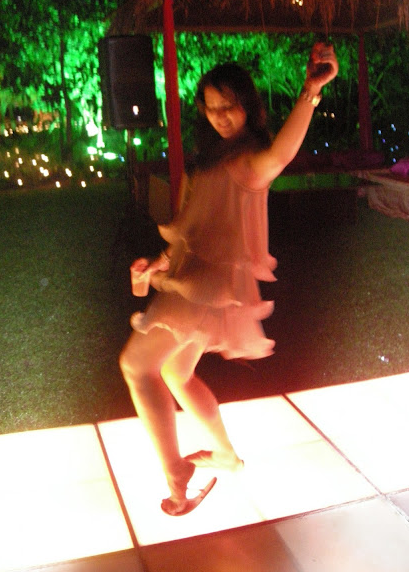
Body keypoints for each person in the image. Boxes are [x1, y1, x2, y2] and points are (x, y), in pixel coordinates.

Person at [120, 42, 338, 516]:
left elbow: (280, 155)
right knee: (176, 373)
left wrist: (310, 92)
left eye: (230, 106)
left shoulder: (248, 161)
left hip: (203, 288)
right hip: (194, 280)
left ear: (248, 107)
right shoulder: (207, 162)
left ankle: (176, 473)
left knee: (138, 367)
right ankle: (225, 456)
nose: (221, 116)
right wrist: (158, 263)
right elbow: (190, 229)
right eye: (212, 107)